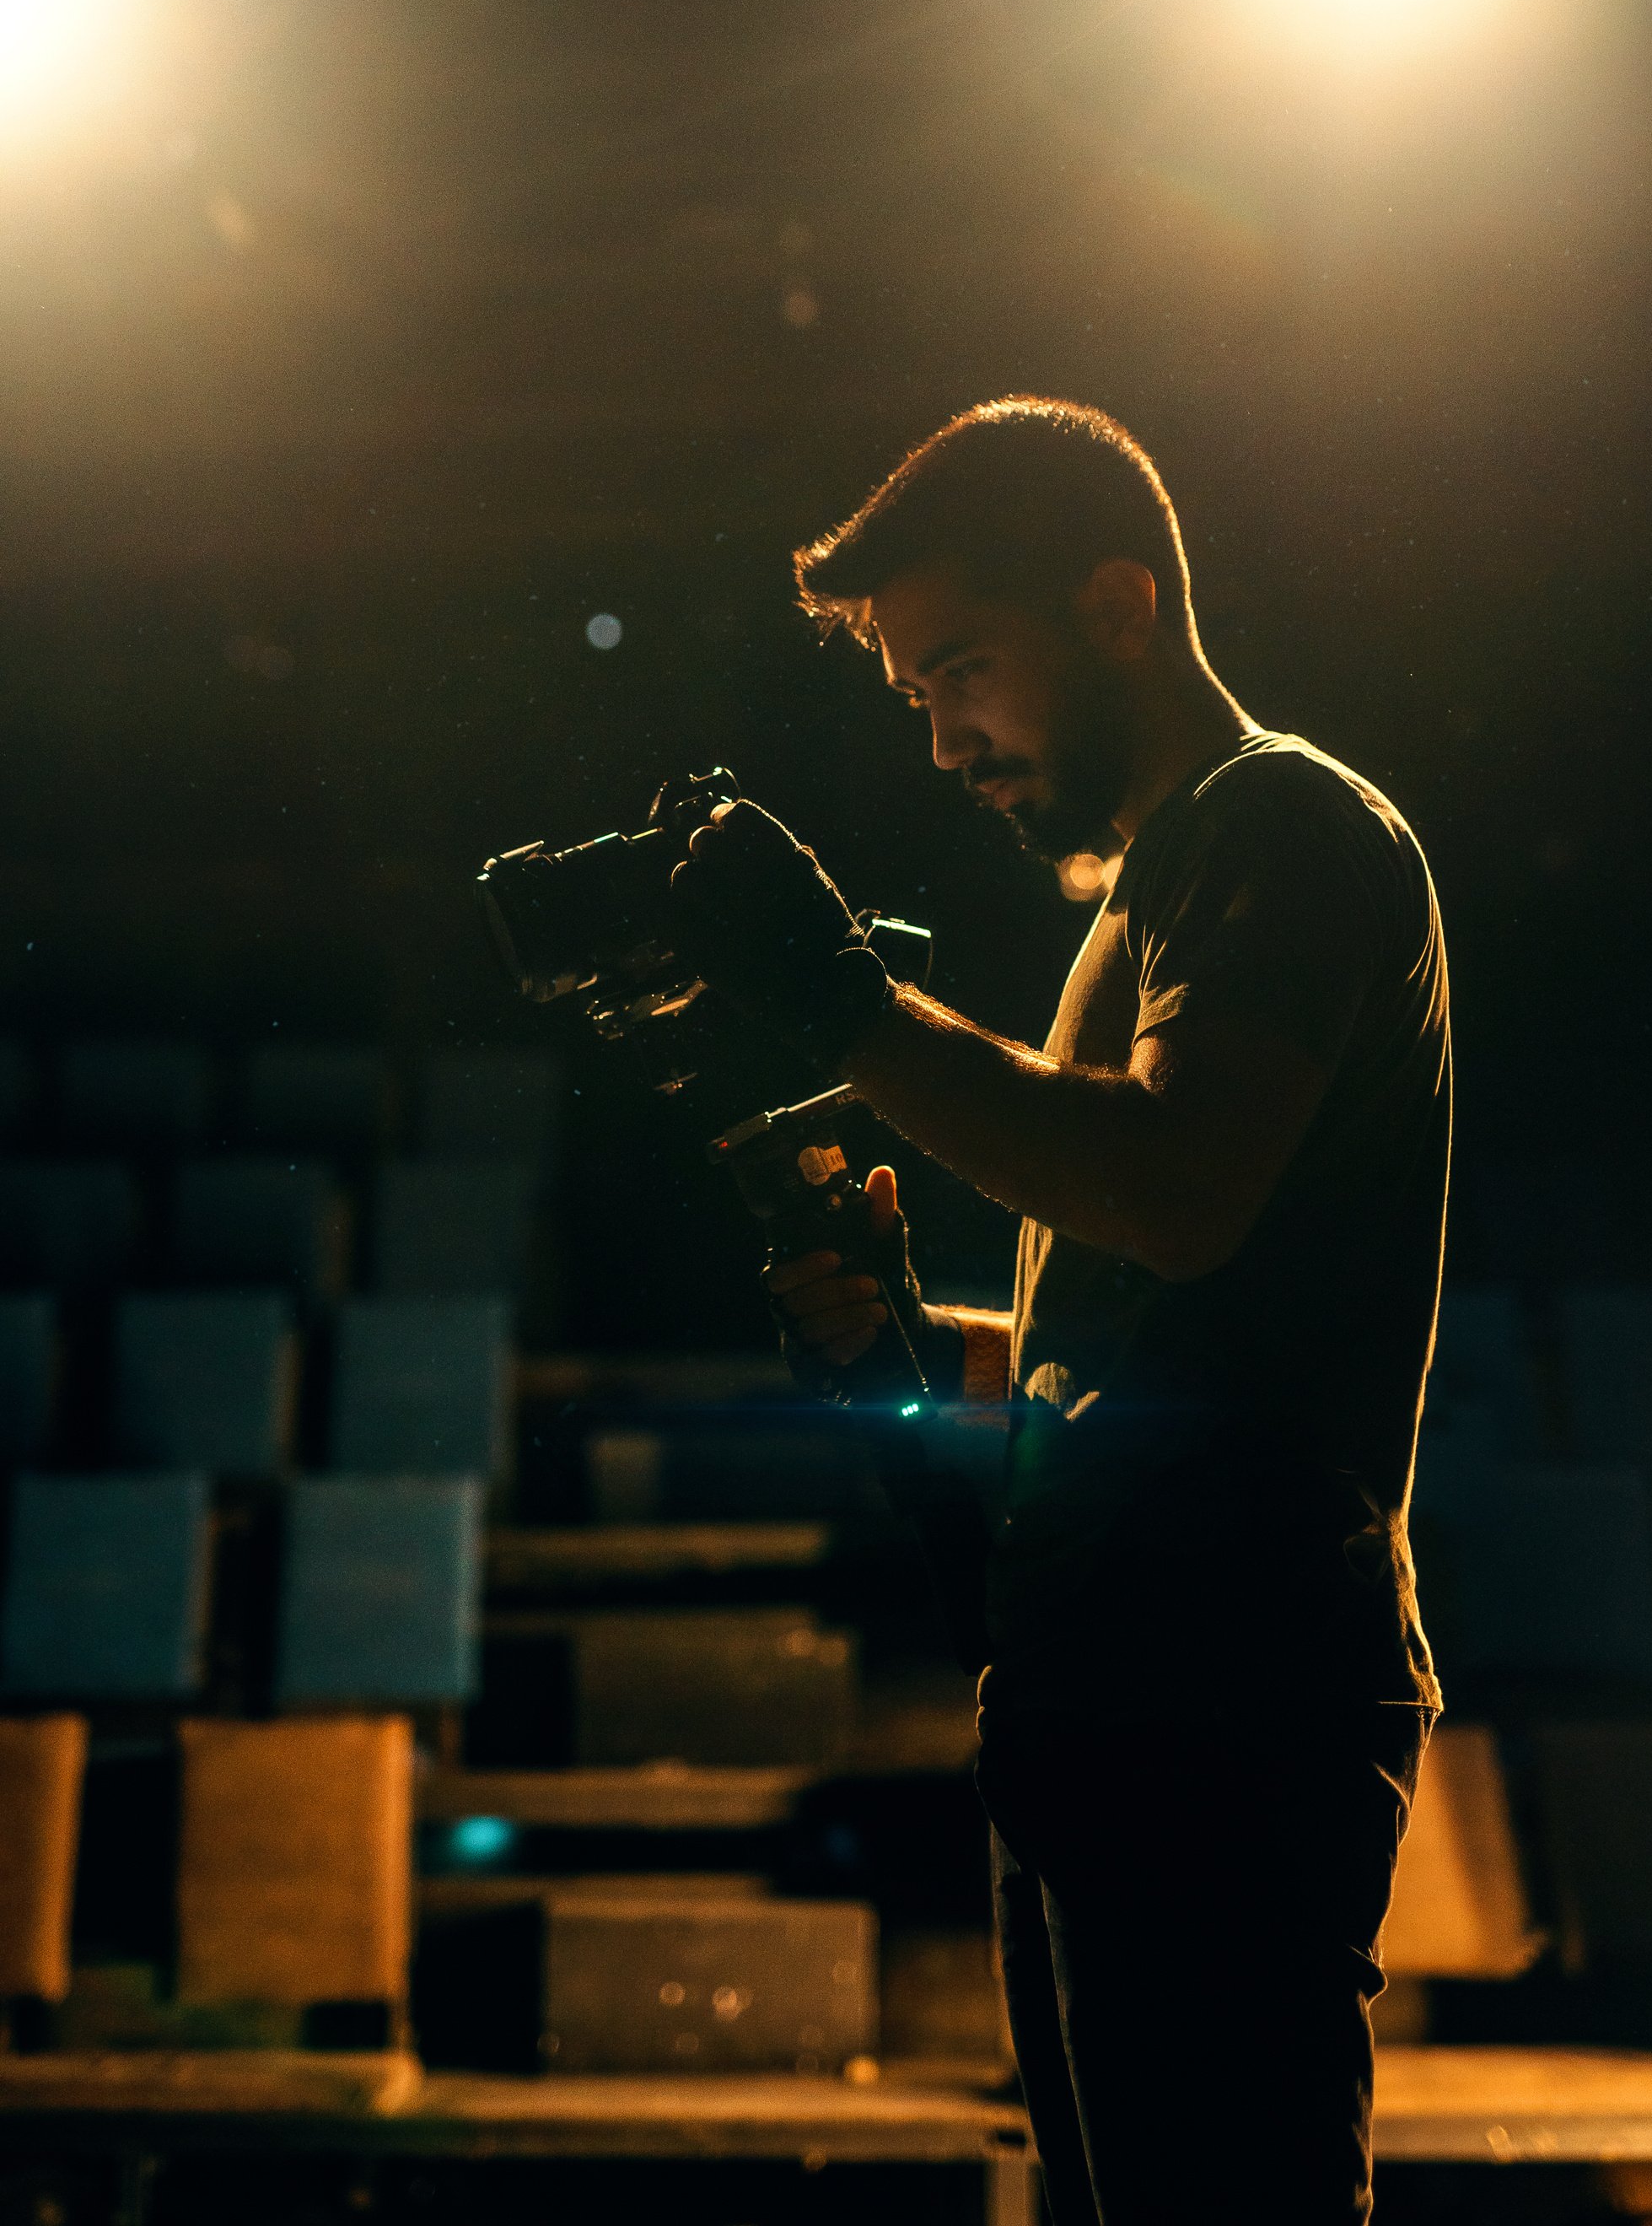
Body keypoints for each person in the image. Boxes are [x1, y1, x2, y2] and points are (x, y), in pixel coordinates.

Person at [667, 396, 1449, 2226]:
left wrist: (845, 1008)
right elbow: (1141, 1350)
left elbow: (1173, 1190)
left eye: (963, 672)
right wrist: (908, 1352)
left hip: (1227, 1686)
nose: (945, 743)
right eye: (915, 695)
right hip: (1123, 1686)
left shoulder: (1288, 825)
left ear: (1117, 603)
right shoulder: (1148, 895)